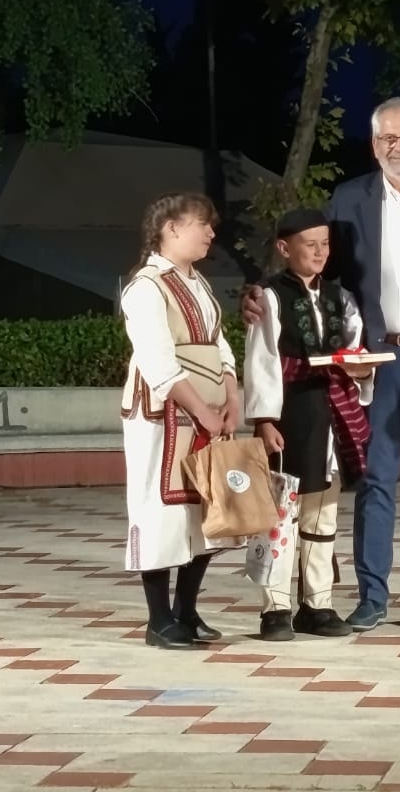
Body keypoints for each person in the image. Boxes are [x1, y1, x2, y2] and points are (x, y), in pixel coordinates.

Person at [242, 97, 400, 634]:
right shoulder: (350, 198)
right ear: (374, 145)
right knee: (375, 481)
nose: (399, 147)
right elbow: (313, 265)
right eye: (388, 138)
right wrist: (257, 291)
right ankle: (372, 597)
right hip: (373, 362)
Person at [242, 208, 377, 641]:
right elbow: (262, 359)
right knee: (281, 511)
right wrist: (264, 420)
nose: (319, 252)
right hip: (291, 413)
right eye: (310, 244)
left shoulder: (341, 297)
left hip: (332, 411)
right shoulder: (269, 296)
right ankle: (276, 608)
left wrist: (362, 370)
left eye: (325, 244)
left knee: (322, 515)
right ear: (285, 248)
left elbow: (355, 349)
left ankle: (317, 603)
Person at [119, 192, 239, 649]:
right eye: (201, 224)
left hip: (206, 409)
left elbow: (219, 344)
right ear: (170, 228)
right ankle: (159, 619)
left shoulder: (198, 282)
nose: (211, 232)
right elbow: (158, 360)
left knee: (204, 506)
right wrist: (201, 409)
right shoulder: (146, 286)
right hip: (162, 414)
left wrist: (231, 397)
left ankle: (186, 610)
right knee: (160, 508)